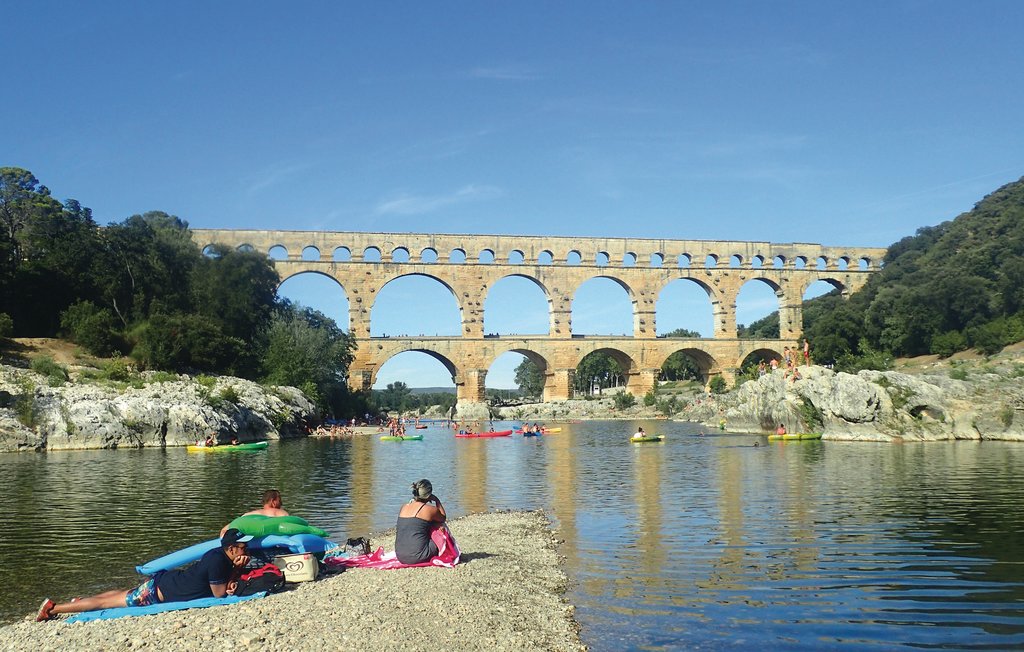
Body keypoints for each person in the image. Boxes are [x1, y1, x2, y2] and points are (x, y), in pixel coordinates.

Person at [36, 528, 253, 621]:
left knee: (117, 595)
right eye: (244, 547)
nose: (247, 550)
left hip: (165, 583)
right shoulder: (218, 561)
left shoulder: (218, 554)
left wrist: (234, 572)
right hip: (155, 593)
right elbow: (218, 595)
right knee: (106, 604)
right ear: (232, 548)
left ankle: (81, 601)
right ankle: (53, 608)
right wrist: (238, 570)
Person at [395, 479, 446, 565]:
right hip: (419, 556)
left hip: (400, 556)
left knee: (424, 524)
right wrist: (437, 500)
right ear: (429, 495)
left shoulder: (403, 507)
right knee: (440, 526)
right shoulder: (430, 510)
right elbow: (443, 517)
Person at [220, 489, 289, 536]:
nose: (281, 504)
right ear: (273, 501)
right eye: (279, 501)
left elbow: (224, 530)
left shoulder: (248, 515)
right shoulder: (281, 513)